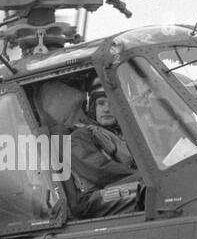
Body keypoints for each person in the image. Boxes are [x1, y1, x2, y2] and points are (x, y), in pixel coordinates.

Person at [35, 79, 138, 210]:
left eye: (112, 105)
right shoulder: (81, 135)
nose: (107, 109)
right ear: (91, 108)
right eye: (101, 104)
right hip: (93, 199)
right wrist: (137, 174)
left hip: (110, 191)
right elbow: (99, 171)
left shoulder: (123, 136)